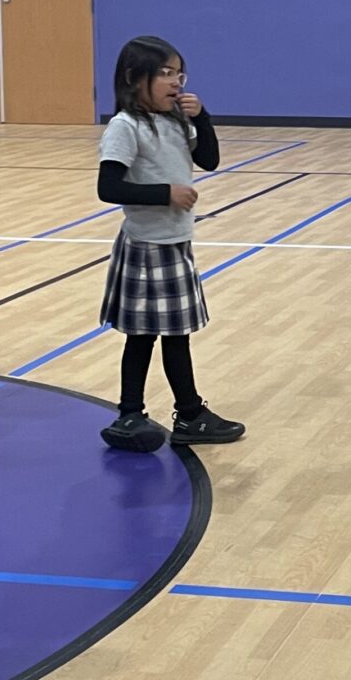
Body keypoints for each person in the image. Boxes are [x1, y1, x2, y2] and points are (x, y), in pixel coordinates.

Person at [97, 35, 243, 454]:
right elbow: (108, 186)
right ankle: (137, 412)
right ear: (133, 78)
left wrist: (205, 118)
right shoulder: (125, 127)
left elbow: (209, 160)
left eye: (178, 72)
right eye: (164, 73)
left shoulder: (177, 119)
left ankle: (184, 412)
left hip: (175, 242)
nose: (175, 81)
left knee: (174, 335)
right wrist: (166, 193)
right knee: (143, 336)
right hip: (147, 245)